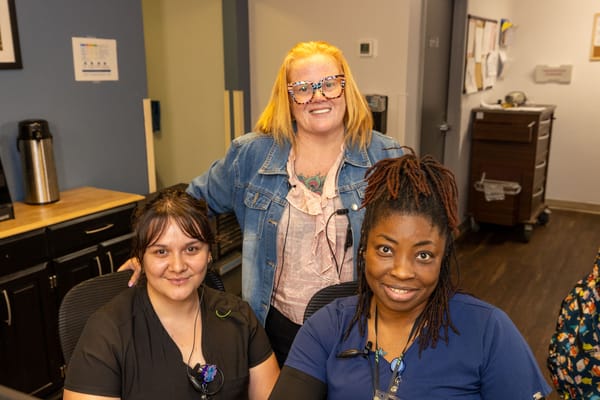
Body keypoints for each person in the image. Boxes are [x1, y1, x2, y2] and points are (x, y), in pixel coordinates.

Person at [121, 40, 403, 365]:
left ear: (345, 87)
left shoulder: (384, 155)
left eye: (329, 84)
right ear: (287, 97)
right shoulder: (252, 155)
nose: (318, 97)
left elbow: (415, 238)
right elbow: (188, 204)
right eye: (302, 88)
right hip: (276, 331)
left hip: (359, 327)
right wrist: (149, 251)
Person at [269, 148, 552, 399]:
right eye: (385, 250)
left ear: (444, 258)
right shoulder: (327, 327)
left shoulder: (489, 331)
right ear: (364, 248)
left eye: (423, 255)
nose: (402, 272)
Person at [63, 187, 279, 400]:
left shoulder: (239, 317)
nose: (177, 266)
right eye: (161, 252)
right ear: (141, 257)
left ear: (209, 254)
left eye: (191, 249)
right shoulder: (107, 334)